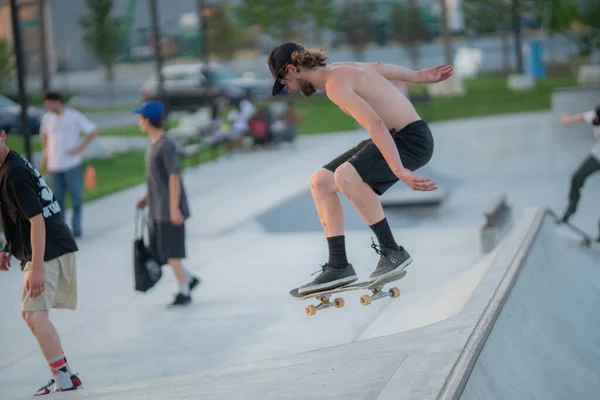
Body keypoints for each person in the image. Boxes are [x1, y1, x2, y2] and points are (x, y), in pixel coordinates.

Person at [267, 43, 453, 294]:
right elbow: (378, 67)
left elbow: (375, 124)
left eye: (284, 81)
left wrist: (398, 169)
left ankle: (392, 251)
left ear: (292, 68)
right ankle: (338, 265)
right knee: (321, 181)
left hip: (410, 141)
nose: (287, 88)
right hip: (394, 135)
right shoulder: (340, 69)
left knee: (346, 176)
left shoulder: (335, 85)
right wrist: (418, 76)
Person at [0, 130, 82, 395]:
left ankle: (63, 380)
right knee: (30, 315)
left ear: (2, 135)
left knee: (35, 316)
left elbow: (36, 220)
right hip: (46, 247)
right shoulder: (8, 166)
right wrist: (6, 246)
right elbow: (16, 214)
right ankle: (66, 374)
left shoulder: (14, 172)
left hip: (48, 249)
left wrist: (36, 267)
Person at [133, 101, 201, 306]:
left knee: (171, 252)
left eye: (140, 118)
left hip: (167, 209)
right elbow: (158, 178)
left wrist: (173, 208)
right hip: (157, 208)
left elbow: (174, 176)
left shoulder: (165, 144)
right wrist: (147, 197)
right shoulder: (154, 144)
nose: (138, 122)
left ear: (147, 120)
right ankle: (188, 279)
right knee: (162, 252)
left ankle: (184, 291)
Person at [40, 91, 98, 238]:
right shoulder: (47, 119)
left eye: (50, 104)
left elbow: (92, 131)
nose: (49, 108)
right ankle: (62, 229)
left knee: (75, 196)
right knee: (57, 200)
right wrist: (46, 155)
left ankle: (77, 227)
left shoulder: (73, 116)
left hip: (71, 164)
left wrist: (79, 148)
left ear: (57, 101)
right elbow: (44, 136)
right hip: (55, 165)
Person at [559, 104, 600, 240]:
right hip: (597, 156)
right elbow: (583, 116)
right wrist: (569, 119)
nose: (595, 119)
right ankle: (572, 208)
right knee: (577, 177)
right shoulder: (594, 116)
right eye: (595, 116)